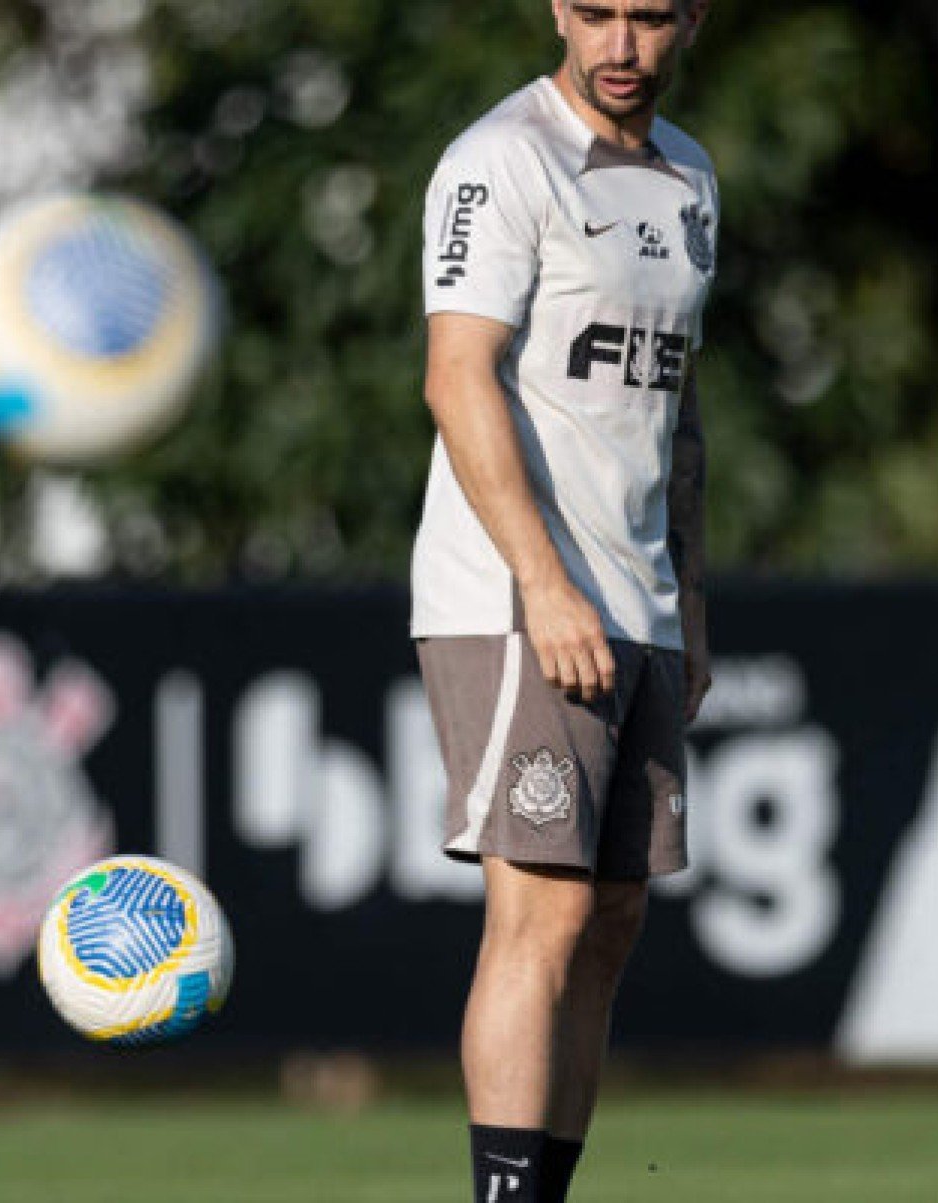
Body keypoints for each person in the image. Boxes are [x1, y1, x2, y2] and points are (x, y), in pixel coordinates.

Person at [411, 3, 716, 1200]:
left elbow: (676, 408)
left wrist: (688, 597)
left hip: (638, 599)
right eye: (595, 12)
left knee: (612, 922)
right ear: (556, 10)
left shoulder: (690, 177)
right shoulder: (502, 160)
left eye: (649, 15)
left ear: (692, 17)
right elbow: (456, 374)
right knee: (537, 920)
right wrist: (544, 583)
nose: (620, 44)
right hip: (515, 597)